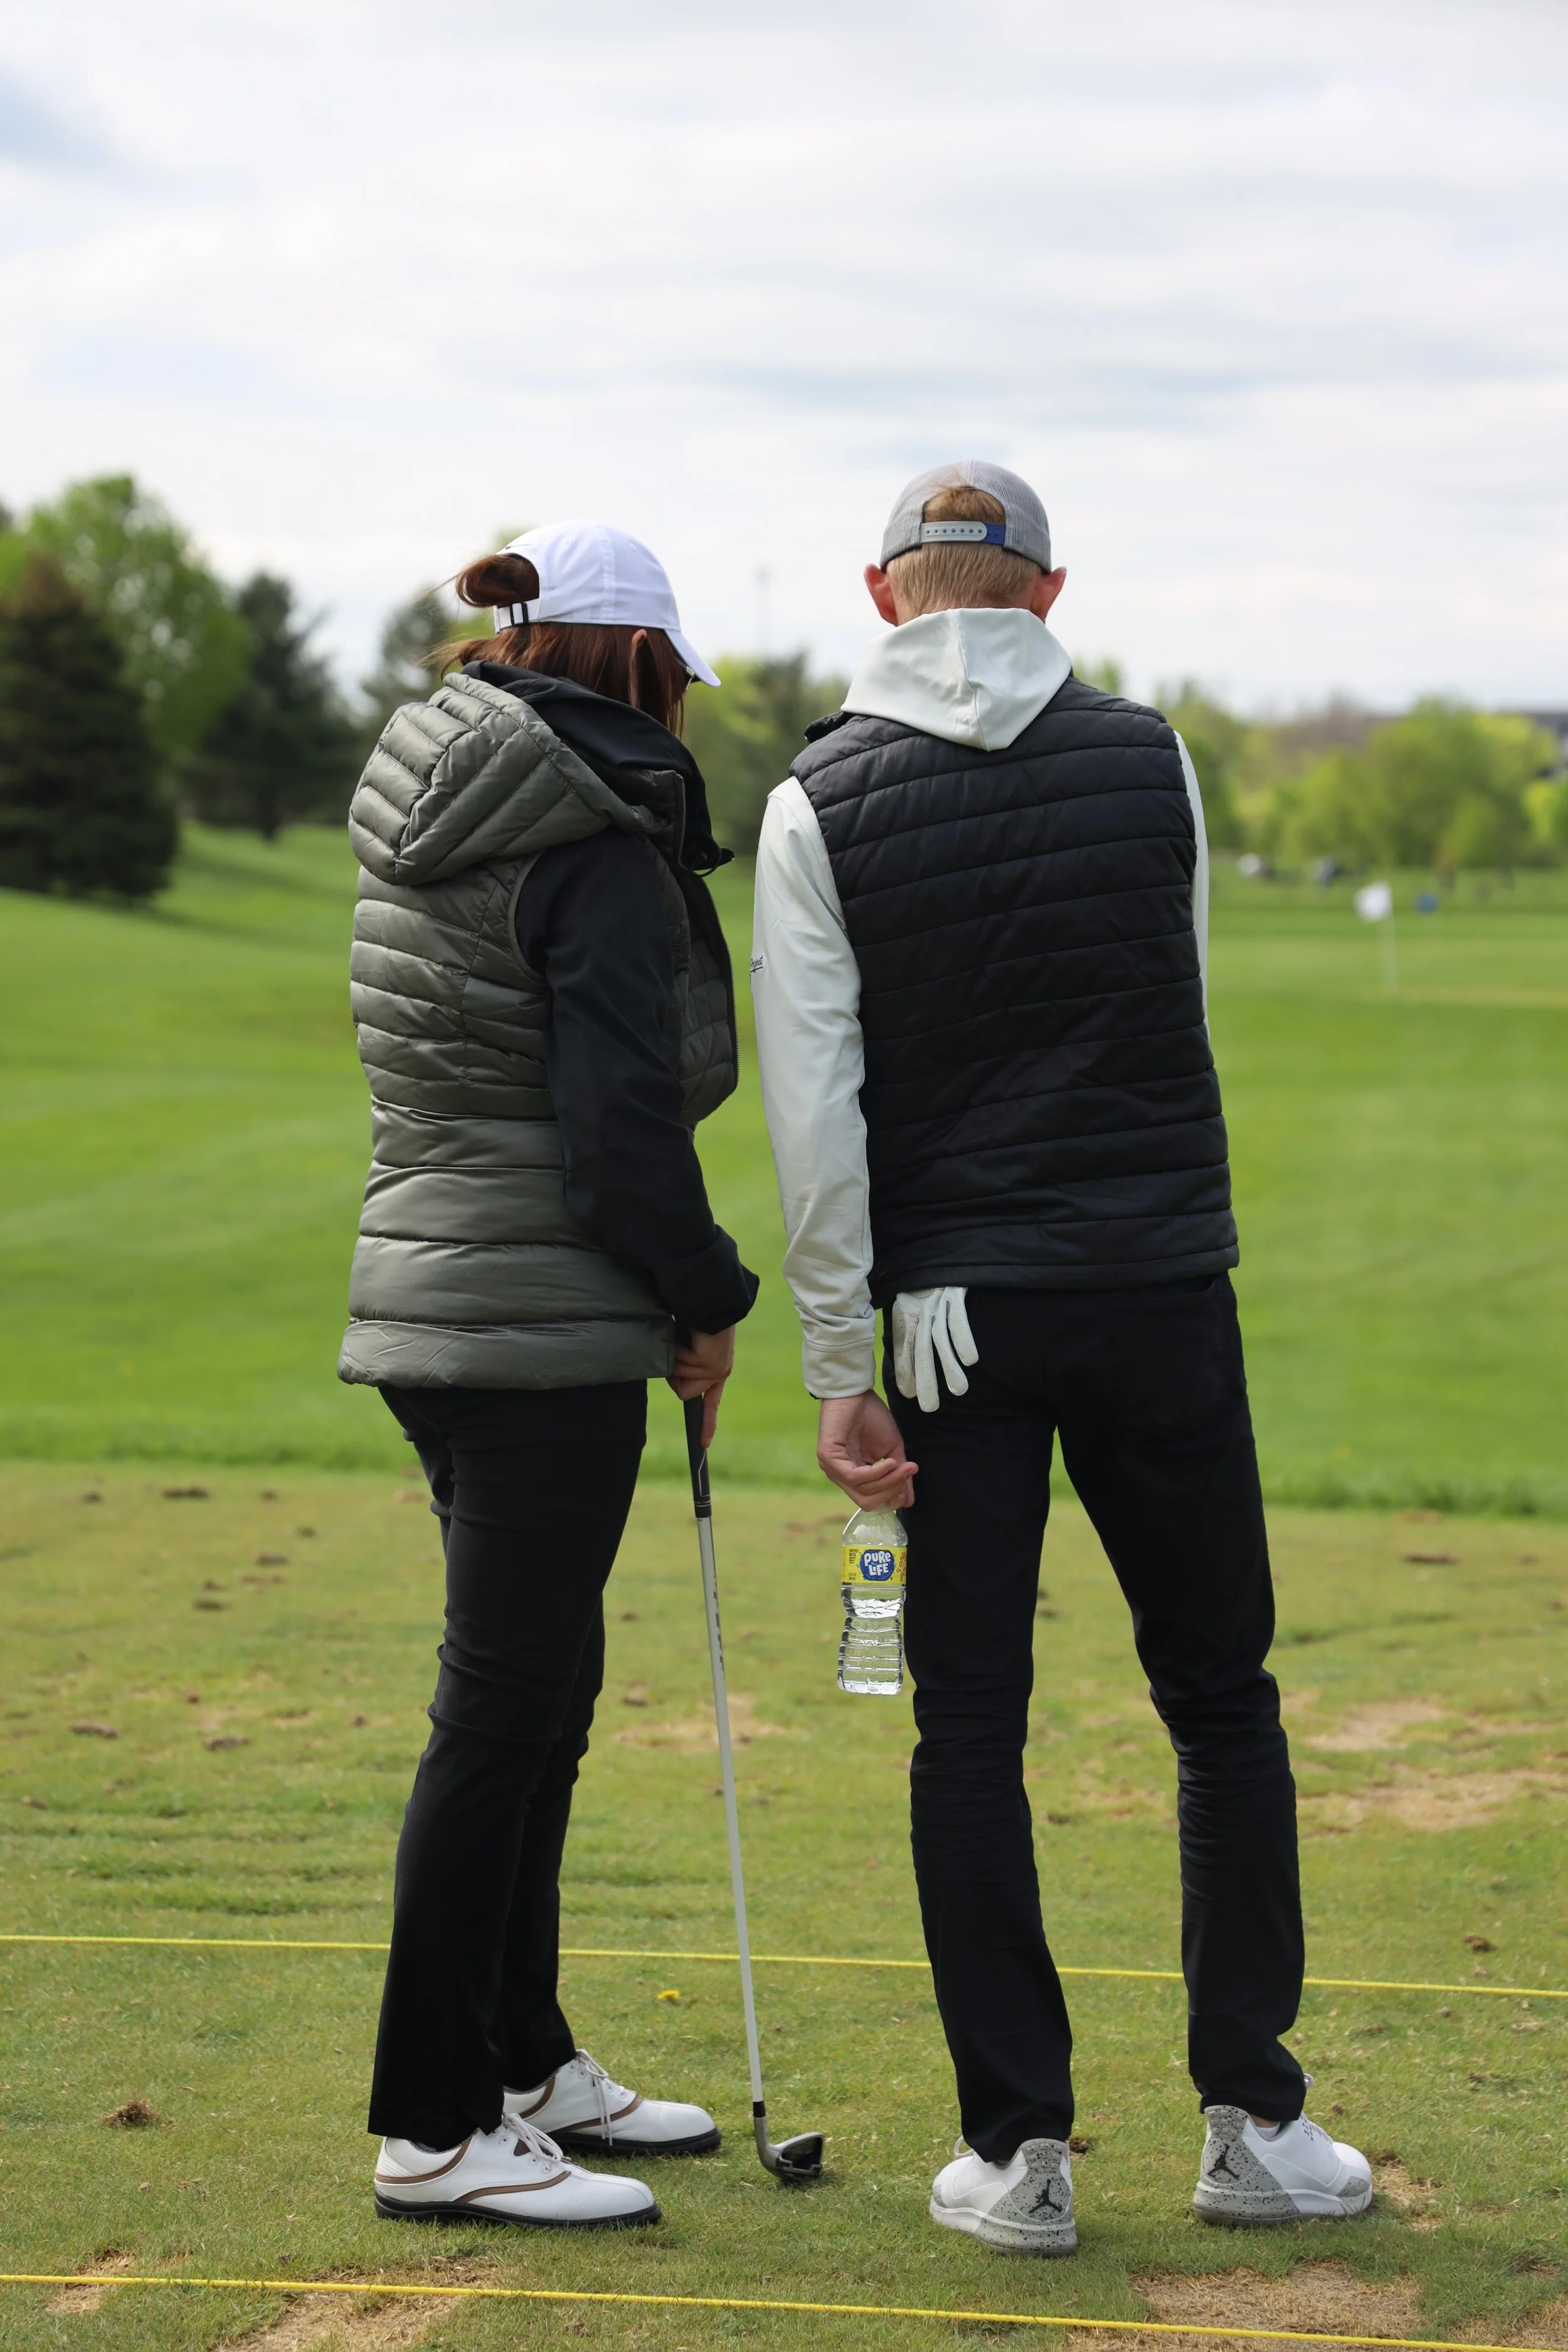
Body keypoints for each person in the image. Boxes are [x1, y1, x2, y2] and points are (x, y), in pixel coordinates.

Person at [751, 463, 1372, 2255]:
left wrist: (831, 1358)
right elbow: (1169, 999)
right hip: (1160, 1281)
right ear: (1045, 592)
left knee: (970, 1723)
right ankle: (1252, 2112)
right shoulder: (1149, 753)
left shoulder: (813, 800)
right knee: (1218, 1696)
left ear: (883, 602)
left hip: (955, 1322)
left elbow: (821, 1112)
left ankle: (1018, 2150)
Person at [339, 520, 758, 2229]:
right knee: (502, 1715)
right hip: (534, 1315)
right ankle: (437, 2122)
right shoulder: (582, 831)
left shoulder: (445, 786)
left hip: (438, 1302)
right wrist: (707, 1292)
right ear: (639, 664)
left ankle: (525, 2059)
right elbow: (614, 1133)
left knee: (537, 1702)